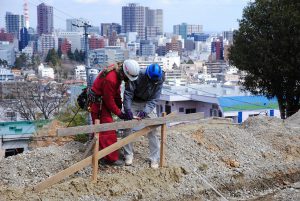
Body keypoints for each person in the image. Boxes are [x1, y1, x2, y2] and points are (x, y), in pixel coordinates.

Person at [90, 59, 140, 166]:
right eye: (128, 78)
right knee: (108, 131)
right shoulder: (111, 79)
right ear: (124, 73)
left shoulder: (116, 72)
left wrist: (121, 105)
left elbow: (115, 92)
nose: (128, 80)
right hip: (98, 105)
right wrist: (120, 113)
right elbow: (109, 100)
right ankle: (110, 159)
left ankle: (101, 153)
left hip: (102, 102)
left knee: (102, 130)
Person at [123, 63, 165, 169]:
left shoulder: (160, 78)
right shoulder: (138, 75)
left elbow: (154, 99)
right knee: (127, 125)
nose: (154, 82)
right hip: (134, 101)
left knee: (153, 129)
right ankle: (128, 154)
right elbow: (128, 93)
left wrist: (145, 112)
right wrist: (128, 109)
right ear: (147, 75)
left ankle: (154, 158)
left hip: (148, 103)